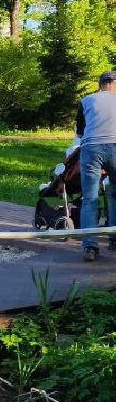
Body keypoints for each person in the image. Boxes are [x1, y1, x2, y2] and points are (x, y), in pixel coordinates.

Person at [75, 69, 116, 261]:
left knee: (90, 199)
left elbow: (81, 133)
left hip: (91, 149)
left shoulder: (86, 100)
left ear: (100, 85)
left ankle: (90, 247)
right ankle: (114, 239)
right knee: (114, 194)